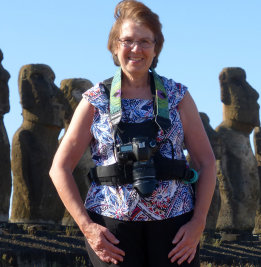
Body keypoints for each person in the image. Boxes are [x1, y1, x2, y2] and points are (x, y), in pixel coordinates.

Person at [49, 1, 216, 266]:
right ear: (115, 46)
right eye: (127, 41)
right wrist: (87, 227)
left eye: (145, 41)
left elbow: (206, 162)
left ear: (156, 47)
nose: (136, 49)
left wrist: (198, 222)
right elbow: (59, 168)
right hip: (112, 229)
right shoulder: (96, 99)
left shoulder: (177, 96)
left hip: (176, 229)